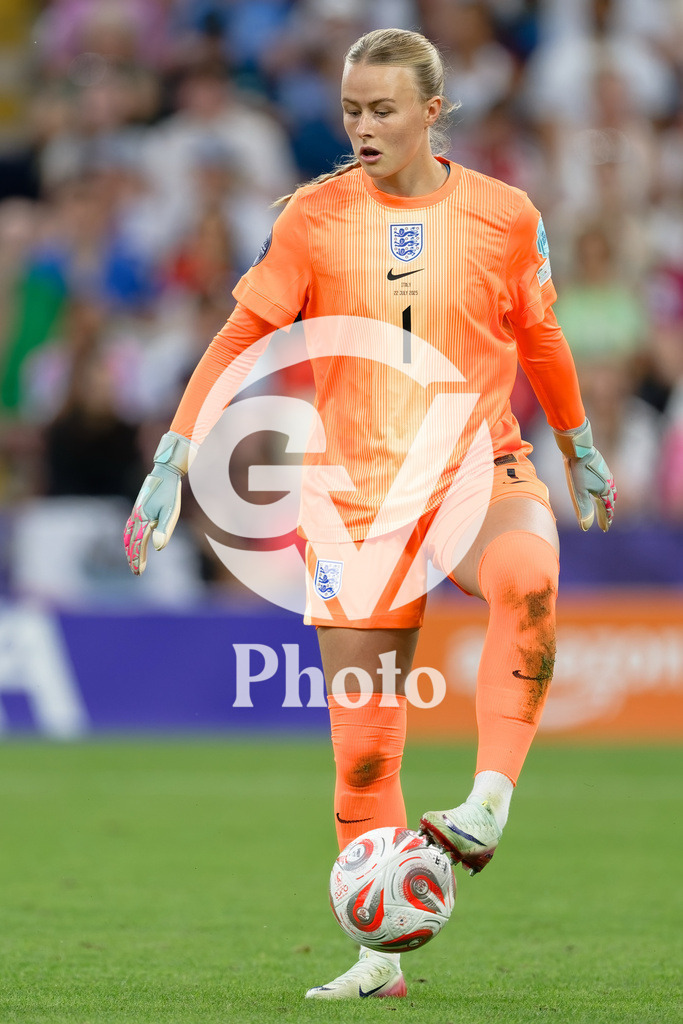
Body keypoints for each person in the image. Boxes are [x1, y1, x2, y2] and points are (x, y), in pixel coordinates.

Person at [124, 28, 616, 1001]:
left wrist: (575, 439)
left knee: (529, 584)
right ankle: (380, 957)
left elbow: (541, 332)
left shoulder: (502, 215)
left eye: (381, 109)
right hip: (355, 499)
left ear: (433, 111)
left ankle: (485, 802)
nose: (361, 126)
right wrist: (177, 449)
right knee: (362, 755)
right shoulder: (313, 218)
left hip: (477, 467)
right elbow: (238, 335)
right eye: (350, 109)